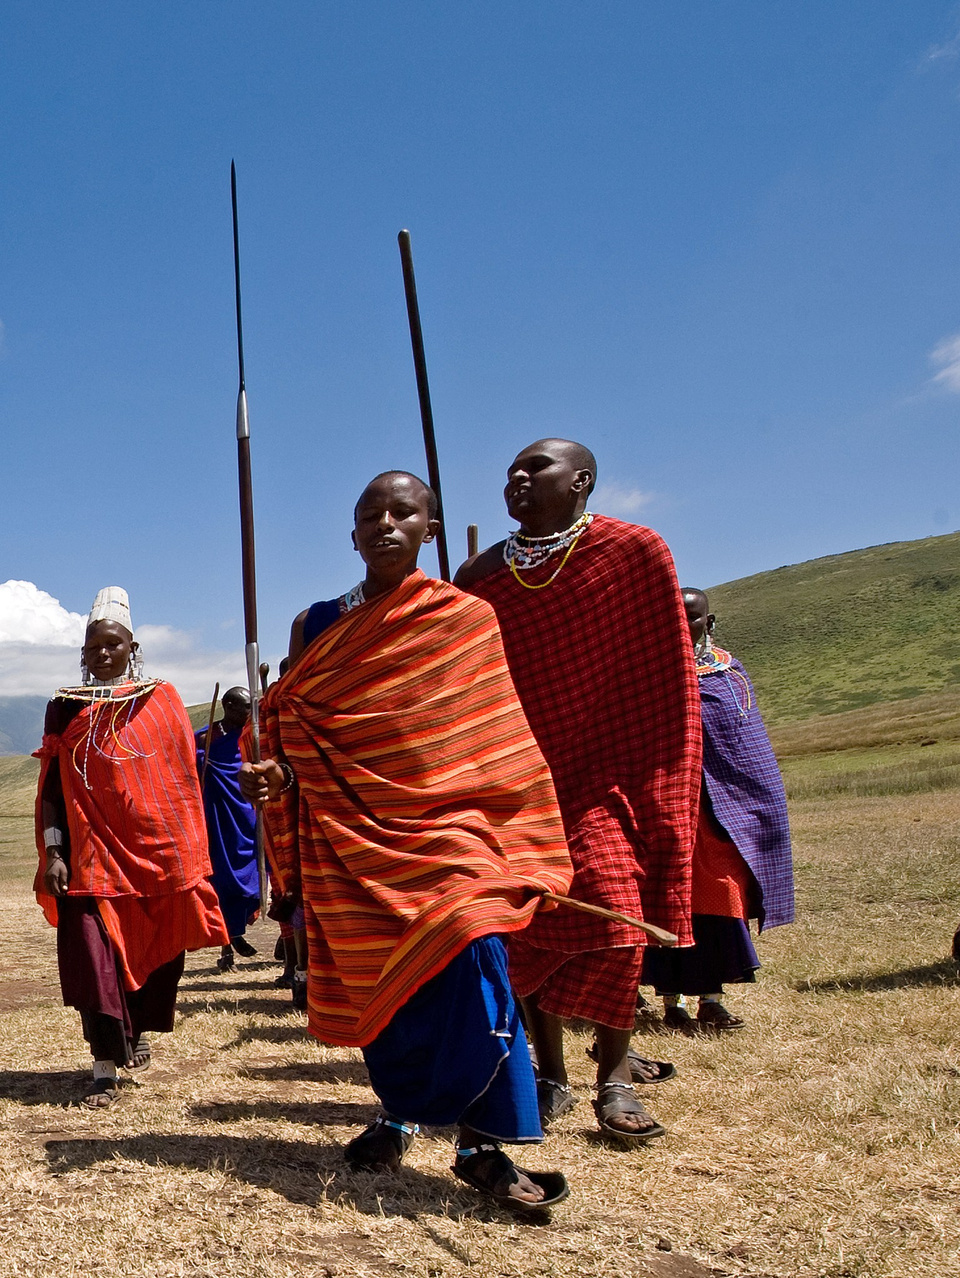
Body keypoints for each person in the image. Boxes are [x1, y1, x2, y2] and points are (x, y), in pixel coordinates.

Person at [245, 472, 576, 1213]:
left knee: (474, 950)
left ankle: (482, 1145)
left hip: (450, 832)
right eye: (370, 514)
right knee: (381, 979)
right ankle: (394, 1115)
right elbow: (297, 735)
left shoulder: (464, 618)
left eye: (404, 513)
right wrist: (281, 779)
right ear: (353, 533)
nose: (385, 523)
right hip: (348, 837)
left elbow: (486, 735)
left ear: (431, 526)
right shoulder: (316, 624)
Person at [458, 440, 699, 1145]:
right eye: (510, 473)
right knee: (529, 922)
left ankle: (615, 1077)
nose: (518, 481)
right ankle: (551, 1071)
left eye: (537, 469)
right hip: (517, 778)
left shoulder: (634, 552)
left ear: (583, 479)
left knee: (616, 914)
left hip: (608, 772)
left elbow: (663, 673)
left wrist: (658, 773)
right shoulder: (482, 577)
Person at [36, 587, 227, 1104]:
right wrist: (54, 852)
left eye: (112, 644)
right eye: (92, 645)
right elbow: (53, 784)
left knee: (153, 951)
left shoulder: (160, 699)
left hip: (151, 857)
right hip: (87, 856)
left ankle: (136, 1029)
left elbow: (179, 781)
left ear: (131, 646)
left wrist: (183, 849)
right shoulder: (63, 707)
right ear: (83, 651)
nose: (102, 652)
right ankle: (103, 1063)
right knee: (91, 956)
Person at [641, 587, 795, 1031]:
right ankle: (672, 1004)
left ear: (708, 623)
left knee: (720, 896)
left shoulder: (730, 675)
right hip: (664, 806)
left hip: (718, 813)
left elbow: (746, 747)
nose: (682, 625)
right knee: (666, 898)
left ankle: (711, 998)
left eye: (691, 618)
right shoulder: (645, 672)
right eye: (672, 616)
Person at [197, 688, 263, 971]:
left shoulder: (254, 736)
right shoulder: (206, 738)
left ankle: (237, 932)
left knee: (255, 881)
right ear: (229, 706)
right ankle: (227, 948)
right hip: (219, 821)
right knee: (222, 884)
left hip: (249, 818)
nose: (251, 713)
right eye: (246, 707)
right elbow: (189, 773)